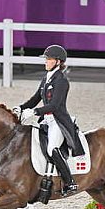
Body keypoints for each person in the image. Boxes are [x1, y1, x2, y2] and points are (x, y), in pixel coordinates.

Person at [13, 45, 85, 196]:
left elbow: (54, 105)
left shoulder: (62, 81)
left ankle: (70, 182)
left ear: (58, 62)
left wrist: (34, 112)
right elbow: (35, 99)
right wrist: (21, 107)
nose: (46, 62)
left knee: (52, 148)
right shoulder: (46, 78)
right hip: (46, 120)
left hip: (58, 121)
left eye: (49, 59)